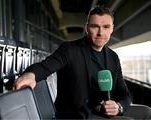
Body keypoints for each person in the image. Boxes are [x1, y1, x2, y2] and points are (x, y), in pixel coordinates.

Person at [13, 6, 150, 119]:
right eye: (95, 26)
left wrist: (118, 106)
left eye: (106, 27)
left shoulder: (113, 57)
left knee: (146, 112)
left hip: (100, 111)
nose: (100, 32)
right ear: (86, 28)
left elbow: (124, 93)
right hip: (76, 115)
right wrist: (31, 74)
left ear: (112, 29)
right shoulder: (69, 49)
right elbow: (46, 66)